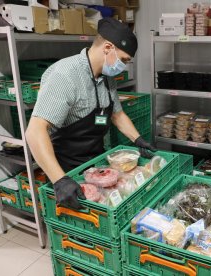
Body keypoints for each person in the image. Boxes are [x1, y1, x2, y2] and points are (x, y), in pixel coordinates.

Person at [26, 18, 156, 210]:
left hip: (96, 161)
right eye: (124, 60)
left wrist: (138, 140)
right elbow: (35, 131)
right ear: (108, 48)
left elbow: (117, 115)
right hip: (66, 166)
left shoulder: (106, 76)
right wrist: (60, 180)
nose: (124, 66)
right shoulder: (65, 75)